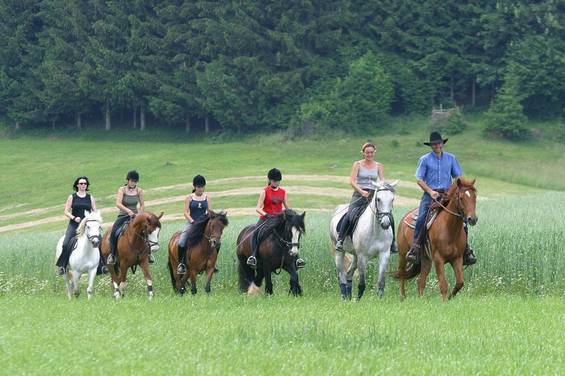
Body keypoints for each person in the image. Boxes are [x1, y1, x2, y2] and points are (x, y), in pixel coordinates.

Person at [406, 131, 477, 265]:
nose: (437, 146)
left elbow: (458, 177)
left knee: (461, 218)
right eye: (434, 144)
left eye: (438, 143)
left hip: (447, 194)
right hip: (430, 194)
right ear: (431, 146)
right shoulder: (424, 159)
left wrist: (458, 188)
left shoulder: (451, 158)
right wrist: (430, 191)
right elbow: (419, 180)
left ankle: (466, 249)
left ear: (442, 144)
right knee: (422, 217)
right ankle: (415, 248)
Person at [335, 142, 397, 253]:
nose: (369, 154)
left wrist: (385, 188)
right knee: (350, 214)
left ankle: (392, 243)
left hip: (374, 194)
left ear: (374, 152)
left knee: (388, 215)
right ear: (363, 153)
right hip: (359, 194)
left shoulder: (379, 166)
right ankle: (340, 239)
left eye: (371, 152)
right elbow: (352, 181)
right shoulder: (357, 164)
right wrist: (361, 191)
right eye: (367, 152)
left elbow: (382, 180)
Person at [246, 168, 306, 269]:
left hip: (279, 219)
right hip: (266, 218)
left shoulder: (283, 192)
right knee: (256, 232)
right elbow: (258, 208)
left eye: (278, 181)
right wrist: (266, 215)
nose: (276, 183)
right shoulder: (265, 191)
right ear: (270, 180)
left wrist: (294, 216)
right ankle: (253, 256)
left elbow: (288, 208)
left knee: (291, 234)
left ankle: (297, 259)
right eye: (274, 181)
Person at [56, 176, 97, 276]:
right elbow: (66, 211)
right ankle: (63, 265)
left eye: (85, 183)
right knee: (65, 243)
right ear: (77, 185)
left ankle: (101, 266)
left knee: (98, 240)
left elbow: (94, 211)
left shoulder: (90, 197)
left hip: (87, 226)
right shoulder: (72, 197)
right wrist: (74, 218)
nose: (83, 185)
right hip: (75, 224)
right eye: (81, 183)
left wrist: (92, 220)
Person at [106, 170, 149, 265]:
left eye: (135, 181)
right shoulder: (122, 189)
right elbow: (118, 203)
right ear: (128, 180)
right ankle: (112, 255)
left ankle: (148, 254)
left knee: (146, 231)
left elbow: (142, 204)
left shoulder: (140, 191)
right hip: (123, 215)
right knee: (114, 232)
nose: (133, 183)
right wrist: (128, 211)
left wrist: (140, 214)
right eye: (132, 181)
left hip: (136, 217)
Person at [176, 175, 212, 274]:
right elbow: (185, 212)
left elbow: (209, 212)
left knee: (216, 241)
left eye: (202, 186)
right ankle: (181, 264)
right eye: (198, 187)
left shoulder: (207, 198)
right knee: (182, 241)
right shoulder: (189, 198)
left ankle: (212, 262)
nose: (200, 189)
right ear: (195, 187)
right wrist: (192, 221)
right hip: (192, 223)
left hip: (204, 224)